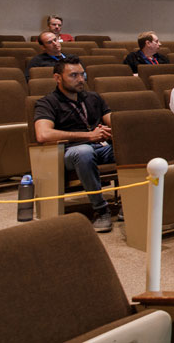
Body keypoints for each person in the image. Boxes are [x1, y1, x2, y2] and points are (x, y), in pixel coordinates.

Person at [33, 57, 115, 232]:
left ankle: (130, 203)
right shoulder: (47, 102)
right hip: (67, 153)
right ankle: (101, 210)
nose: (80, 79)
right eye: (73, 75)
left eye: (82, 74)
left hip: (100, 147)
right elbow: (43, 134)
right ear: (57, 78)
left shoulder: (93, 97)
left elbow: (113, 121)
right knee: (83, 151)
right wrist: (88, 135)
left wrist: (115, 129)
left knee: (131, 147)